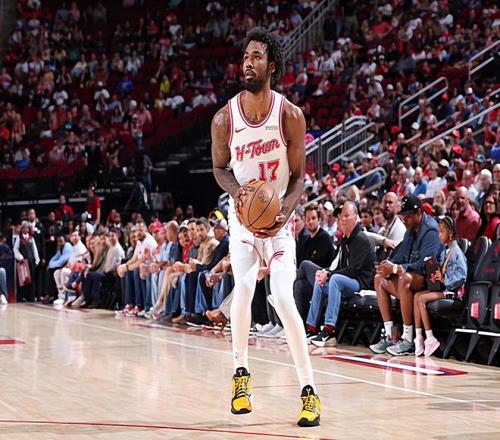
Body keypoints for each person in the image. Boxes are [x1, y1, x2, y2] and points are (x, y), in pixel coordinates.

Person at [211, 28, 320, 427]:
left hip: (279, 221)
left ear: (271, 66)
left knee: (283, 298)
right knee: (242, 287)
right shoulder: (224, 118)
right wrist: (239, 194)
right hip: (243, 221)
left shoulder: (289, 115)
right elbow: (220, 168)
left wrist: (284, 212)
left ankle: (309, 392)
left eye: (256, 57)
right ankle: (241, 374)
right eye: (245, 57)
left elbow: (299, 178)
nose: (247, 63)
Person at [369, 195, 442, 356]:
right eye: (403, 216)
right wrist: (387, 264)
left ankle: (408, 339)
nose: (404, 219)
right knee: (379, 277)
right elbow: (401, 255)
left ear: (419, 213)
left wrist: (395, 268)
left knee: (404, 277)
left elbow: (425, 265)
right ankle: (390, 335)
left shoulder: (431, 230)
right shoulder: (410, 229)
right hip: (411, 276)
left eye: (408, 216)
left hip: (432, 280)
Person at [307, 202, 376, 347]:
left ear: (355, 218)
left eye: (346, 216)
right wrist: (325, 272)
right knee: (320, 282)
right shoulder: (345, 239)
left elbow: (353, 270)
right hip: (348, 282)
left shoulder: (361, 239)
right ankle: (311, 328)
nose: (342, 219)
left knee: (335, 279)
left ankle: (329, 330)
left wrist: (330, 275)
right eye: (341, 216)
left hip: (361, 283)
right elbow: (339, 266)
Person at [413, 215, 467, 357]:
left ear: (450, 233)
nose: (439, 235)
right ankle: (419, 336)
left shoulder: (457, 253)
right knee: (417, 296)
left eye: (441, 232)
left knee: (421, 299)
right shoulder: (445, 251)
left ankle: (430, 337)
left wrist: (444, 279)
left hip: (453, 292)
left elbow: (461, 276)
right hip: (444, 289)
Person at [13, 224, 40, 302]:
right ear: (21, 229)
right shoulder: (19, 238)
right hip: (22, 263)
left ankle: (31, 297)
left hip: (31, 262)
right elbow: (15, 249)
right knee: (22, 281)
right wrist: (20, 257)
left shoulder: (31, 238)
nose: (25, 229)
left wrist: (37, 260)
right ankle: (21, 297)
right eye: (24, 228)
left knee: (31, 280)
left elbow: (35, 250)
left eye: (27, 228)